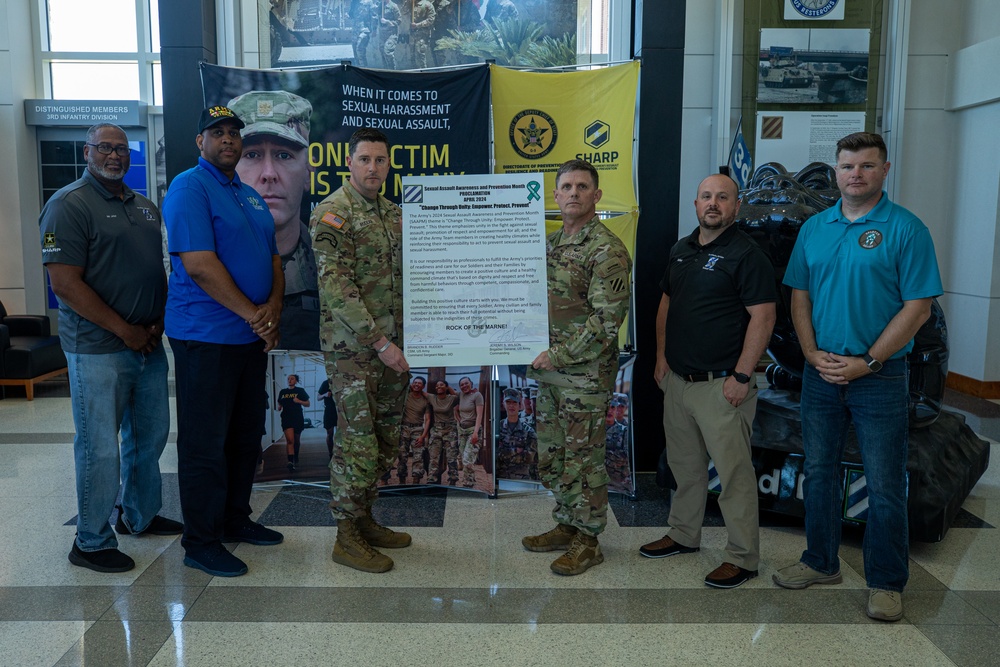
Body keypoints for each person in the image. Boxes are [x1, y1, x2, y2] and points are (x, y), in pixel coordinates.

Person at [773, 132, 943, 621]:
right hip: (820, 373)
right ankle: (821, 562)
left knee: (885, 482)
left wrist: (867, 361)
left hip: (880, 376)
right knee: (820, 472)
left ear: (884, 171)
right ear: (836, 171)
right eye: (848, 166)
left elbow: (918, 308)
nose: (856, 174)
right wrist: (809, 353)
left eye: (867, 166)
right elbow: (799, 297)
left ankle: (887, 582)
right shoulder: (816, 228)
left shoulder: (907, 229)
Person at [39, 123, 182, 573]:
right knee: (99, 448)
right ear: (87, 151)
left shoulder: (144, 207)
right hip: (98, 349)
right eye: (105, 148)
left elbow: (153, 270)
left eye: (121, 149)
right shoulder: (68, 204)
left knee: (149, 436)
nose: (114, 155)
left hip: (147, 345)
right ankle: (90, 540)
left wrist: (155, 322)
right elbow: (64, 284)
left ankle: (138, 516)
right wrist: (125, 330)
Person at [163, 105, 285, 578]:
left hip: (248, 339)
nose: (229, 140)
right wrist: (256, 315)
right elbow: (198, 264)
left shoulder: (249, 196)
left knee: (243, 437)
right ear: (200, 141)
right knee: (204, 443)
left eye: (235, 133)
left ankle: (235, 519)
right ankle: (201, 540)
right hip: (205, 338)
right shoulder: (189, 187)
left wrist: (272, 310)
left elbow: (274, 261)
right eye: (218, 132)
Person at [639, 173, 776, 589]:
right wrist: (662, 356)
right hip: (678, 382)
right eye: (705, 197)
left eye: (722, 197)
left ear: (736, 207)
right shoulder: (681, 249)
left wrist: (741, 375)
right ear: (695, 204)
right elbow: (666, 304)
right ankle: (684, 534)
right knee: (686, 468)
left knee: (733, 475)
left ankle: (742, 557)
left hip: (722, 386)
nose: (712, 203)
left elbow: (763, 317)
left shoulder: (747, 255)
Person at [309, 127, 411, 573]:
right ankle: (345, 535)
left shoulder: (392, 213)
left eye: (381, 160)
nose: (373, 167)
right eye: (365, 159)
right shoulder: (333, 213)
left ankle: (364, 517)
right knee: (357, 442)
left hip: (393, 350)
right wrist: (380, 341)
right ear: (349, 163)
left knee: (387, 439)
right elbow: (337, 287)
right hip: (355, 351)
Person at [523, 159, 632, 576]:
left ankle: (589, 540)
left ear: (596, 195)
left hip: (582, 376)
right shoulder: (550, 244)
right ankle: (567, 523)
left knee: (584, 458)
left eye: (581, 186)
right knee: (554, 454)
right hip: (549, 374)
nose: (573, 193)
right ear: (554, 195)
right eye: (565, 186)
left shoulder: (606, 250)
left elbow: (607, 320)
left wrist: (560, 355)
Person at [228, 90, 320, 351]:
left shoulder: (329, 257)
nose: (269, 174)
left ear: (307, 173)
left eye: (283, 155)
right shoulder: (212, 256)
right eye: (252, 155)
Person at [496, 387, 537, 480]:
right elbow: (494, 455)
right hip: (501, 479)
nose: (511, 406)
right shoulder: (497, 428)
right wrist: (516, 451)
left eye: (515, 402)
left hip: (522, 480)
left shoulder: (529, 431)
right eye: (508, 402)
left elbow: (529, 458)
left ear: (520, 405)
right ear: (503, 404)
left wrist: (504, 452)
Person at [426, 379, 460, 485]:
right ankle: (432, 480)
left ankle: (453, 480)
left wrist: (447, 387)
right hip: (436, 429)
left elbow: (459, 397)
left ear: (446, 387)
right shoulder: (432, 398)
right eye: (437, 386)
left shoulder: (451, 398)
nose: (438, 387)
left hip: (450, 430)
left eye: (441, 385)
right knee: (434, 457)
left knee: (451, 458)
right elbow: (420, 392)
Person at [399, 376, 431, 483]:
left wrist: (423, 436)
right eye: (415, 382)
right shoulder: (406, 396)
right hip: (404, 428)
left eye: (419, 383)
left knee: (418, 456)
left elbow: (427, 419)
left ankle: (416, 481)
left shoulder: (425, 401)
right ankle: (401, 480)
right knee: (402, 455)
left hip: (417, 429)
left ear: (423, 386)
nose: (416, 384)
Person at [277, 374, 311, 470]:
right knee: (290, 440)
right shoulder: (283, 392)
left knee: (296, 441)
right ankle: (290, 461)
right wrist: (280, 406)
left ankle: (296, 455)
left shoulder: (300, 391)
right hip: (286, 418)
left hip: (297, 418)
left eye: (292, 379)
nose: (290, 380)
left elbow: (308, 404)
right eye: (288, 379)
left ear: (296, 381)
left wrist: (299, 401)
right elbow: (280, 401)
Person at [457, 375, 485, 488]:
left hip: (473, 429)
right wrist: (459, 421)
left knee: (468, 458)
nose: (464, 386)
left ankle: (467, 485)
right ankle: (470, 481)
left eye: (466, 383)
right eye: (462, 384)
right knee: (463, 457)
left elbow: (479, 415)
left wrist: (475, 432)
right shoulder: (461, 395)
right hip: (462, 430)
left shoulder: (477, 395)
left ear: (471, 383)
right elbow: (456, 409)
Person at [604, 396, 631, 491]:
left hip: (618, 481)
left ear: (616, 411)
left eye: (613, 408)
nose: (610, 411)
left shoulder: (624, 430)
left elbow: (625, 457)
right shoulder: (595, 429)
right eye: (607, 407)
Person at [317, 377, 338, 458]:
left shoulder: (342, 381)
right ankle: (331, 453)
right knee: (330, 433)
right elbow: (318, 397)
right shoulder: (326, 383)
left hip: (340, 409)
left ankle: (340, 452)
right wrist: (325, 395)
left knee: (341, 432)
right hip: (329, 409)